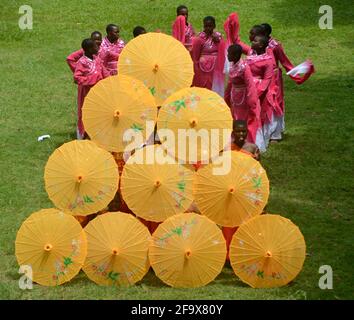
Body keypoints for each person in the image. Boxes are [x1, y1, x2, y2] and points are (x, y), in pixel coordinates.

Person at [261, 23, 314, 142]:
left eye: (260, 33)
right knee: (264, 103)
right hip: (262, 78)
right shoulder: (258, 44)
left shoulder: (275, 46)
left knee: (275, 103)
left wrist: (298, 75)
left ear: (266, 34)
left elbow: (285, 62)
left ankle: (276, 133)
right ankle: (265, 131)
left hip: (273, 78)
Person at [224, 44, 265, 152]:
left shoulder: (244, 67)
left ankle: (247, 141)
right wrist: (227, 96)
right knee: (235, 117)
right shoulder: (232, 65)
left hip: (243, 97)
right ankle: (235, 140)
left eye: (229, 54)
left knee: (243, 119)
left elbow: (250, 83)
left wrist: (251, 99)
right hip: (235, 97)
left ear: (236, 55)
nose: (227, 55)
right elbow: (230, 82)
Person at [246, 34, 278, 149]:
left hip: (259, 91)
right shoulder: (250, 55)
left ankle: (258, 141)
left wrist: (256, 93)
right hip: (247, 88)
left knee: (257, 115)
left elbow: (267, 79)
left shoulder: (267, 61)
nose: (252, 42)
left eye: (254, 41)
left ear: (261, 45)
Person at [74, 39, 109, 139]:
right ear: (89, 49)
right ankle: (84, 136)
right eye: (95, 46)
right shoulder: (82, 62)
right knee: (86, 113)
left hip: (99, 92)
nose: (98, 48)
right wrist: (93, 79)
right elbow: (77, 78)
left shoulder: (97, 59)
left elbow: (104, 72)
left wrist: (111, 81)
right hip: (86, 94)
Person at [192, 16, 226, 97]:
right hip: (202, 68)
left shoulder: (218, 37)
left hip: (215, 68)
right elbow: (195, 55)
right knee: (203, 85)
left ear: (214, 26)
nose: (208, 28)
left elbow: (223, 50)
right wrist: (196, 69)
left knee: (213, 86)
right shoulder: (199, 38)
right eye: (206, 26)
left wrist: (218, 41)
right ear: (203, 26)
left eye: (210, 26)